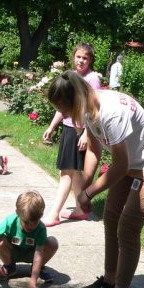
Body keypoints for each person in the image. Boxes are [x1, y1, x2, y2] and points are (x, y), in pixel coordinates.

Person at [47, 71, 144, 288]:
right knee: (111, 218)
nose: (65, 116)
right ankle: (109, 281)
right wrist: (84, 188)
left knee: (127, 228)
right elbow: (94, 150)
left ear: (77, 99)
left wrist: (88, 193)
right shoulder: (86, 106)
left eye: (65, 110)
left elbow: (120, 165)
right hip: (130, 164)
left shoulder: (111, 112)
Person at [42, 43, 101, 227]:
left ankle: (54, 214)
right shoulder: (70, 77)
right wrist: (52, 126)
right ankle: (80, 209)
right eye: (78, 57)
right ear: (73, 57)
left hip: (81, 131)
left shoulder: (92, 79)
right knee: (74, 172)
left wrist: (86, 134)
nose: (81, 61)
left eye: (85, 58)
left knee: (66, 172)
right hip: (69, 129)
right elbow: (63, 105)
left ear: (90, 60)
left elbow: (93, 109)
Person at [0, 190, 59, 288]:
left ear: (40, 216)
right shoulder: (10, 221)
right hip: (12, 253)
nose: (30, 226)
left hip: (32, 255)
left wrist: (33, 282)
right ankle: (9, 267)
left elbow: (39, 253)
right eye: (26, 222)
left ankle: (37, 269)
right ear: (18, 213)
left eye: (34, 222)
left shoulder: (41, 228)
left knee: (53, 242)